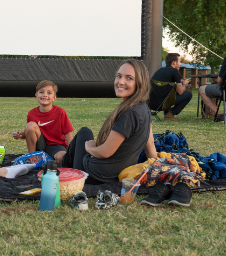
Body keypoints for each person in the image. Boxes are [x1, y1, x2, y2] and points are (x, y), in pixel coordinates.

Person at [61, 59, 160, 187]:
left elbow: (105, 152)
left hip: (96, 176)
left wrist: (90, 148)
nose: (121, 82)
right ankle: (64, 164)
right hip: (114, 174)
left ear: (140, 83)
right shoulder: (144, 108)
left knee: (84, 132)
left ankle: (65, 170)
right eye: (119, 76)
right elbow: (150, 144)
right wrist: (157, 170)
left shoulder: (130, 113)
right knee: (82, 138)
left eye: (129, 78)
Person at [12, 80, 73, 163]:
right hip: (39, 146)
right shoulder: (32, 113)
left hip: (56, 146)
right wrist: (19, 135)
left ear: (54, 98)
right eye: (41, 92)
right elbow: (29, 132)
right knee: (30, 125)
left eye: (49, 93)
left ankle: (47, 160)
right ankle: (32, 159)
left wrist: (72, 152)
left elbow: (68, 134)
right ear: (36, 96)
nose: (45, 95)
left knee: (62, 157)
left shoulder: (60, 112)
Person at [148, 53, 191, 121]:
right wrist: (184, 84)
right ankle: (169, 115)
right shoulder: (175, 71)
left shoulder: (159, 70)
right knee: (188, 94)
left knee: (167, 92)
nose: (180, 64)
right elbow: (180, 92)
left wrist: (179, 82)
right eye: (179, 61)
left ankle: (168, 114)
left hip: (151, 104)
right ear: (174, 62)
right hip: (163, 104)